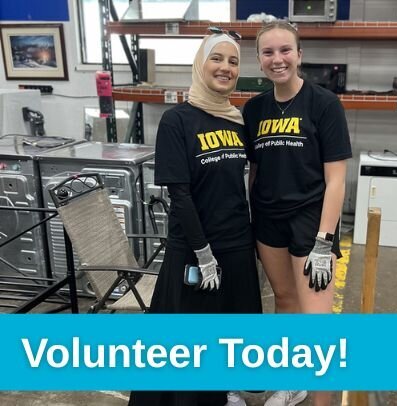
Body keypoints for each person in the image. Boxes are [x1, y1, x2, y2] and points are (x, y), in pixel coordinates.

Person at [128, 32, 262, 406]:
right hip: (194, 248)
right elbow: (180, 195)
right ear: (200, 65)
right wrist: (203, 253)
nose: (225, 68)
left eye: (233, 61)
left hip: (236, 245)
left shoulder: (238, 121)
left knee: (231, 333)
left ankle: (224, 393)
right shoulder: (177, 121)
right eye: (216, 58)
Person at [242, 22, 352, 406]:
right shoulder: (254, 109)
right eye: (268, 52)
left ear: (299, 55)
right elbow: (254, 170)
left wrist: (324, 242)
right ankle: (292, 383)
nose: (278, 59)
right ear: (259, 60)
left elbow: (336, 181)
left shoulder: (324, 104)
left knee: (316, 322)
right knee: (285, 301)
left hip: (310, 220)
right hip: (268, 220)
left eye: (285, 50)